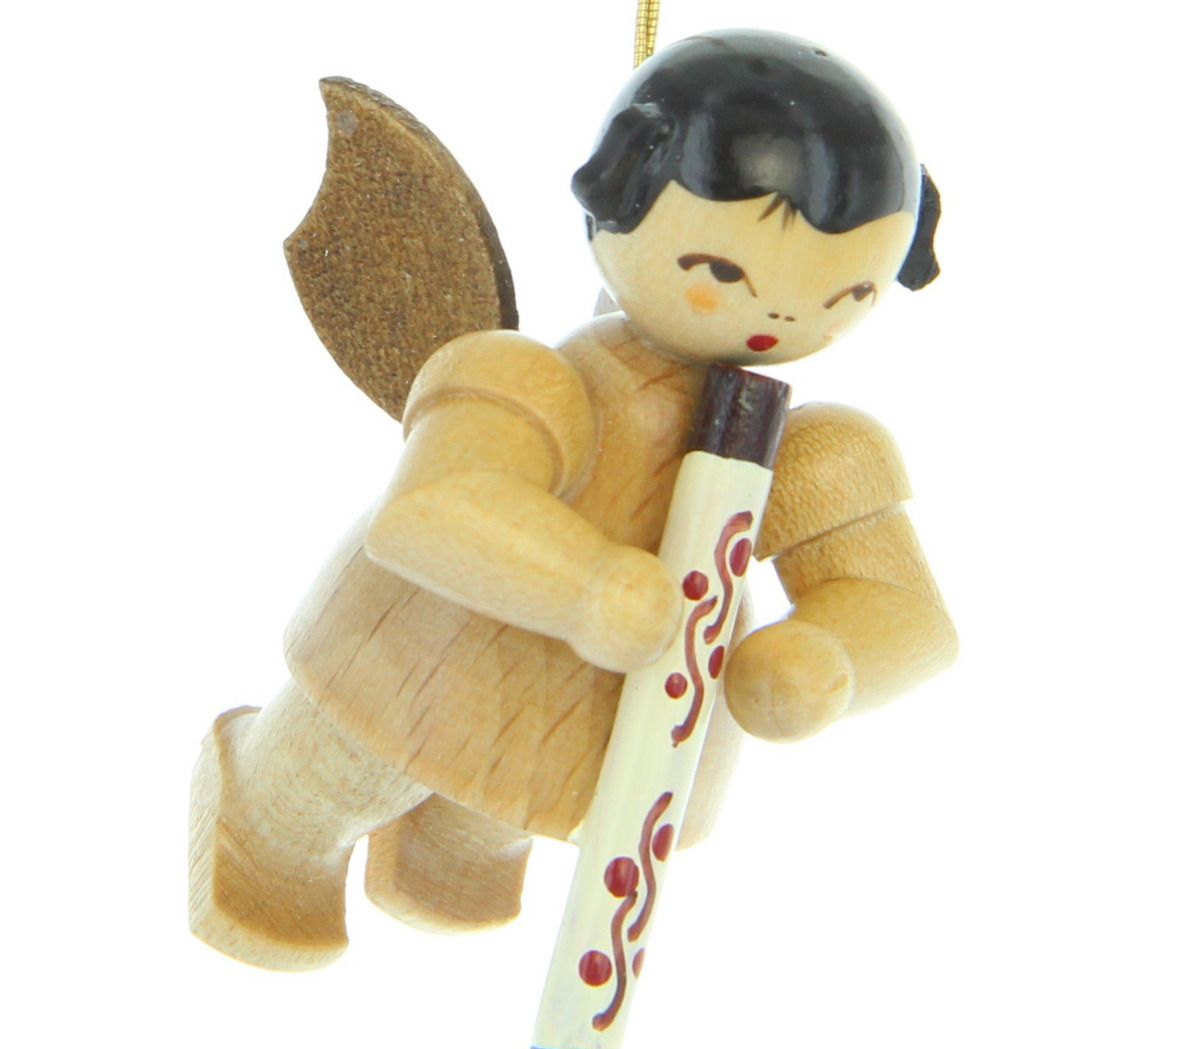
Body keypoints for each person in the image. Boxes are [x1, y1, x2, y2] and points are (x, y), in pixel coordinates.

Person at [190, 30, 956, 970]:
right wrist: (586, 586)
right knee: (336, 777)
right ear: (618, 197)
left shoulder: (815, 453)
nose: (783, 315)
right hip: (421, 649)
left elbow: (906, 614)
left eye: (845, 293)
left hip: (602, 716)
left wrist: (826, 660)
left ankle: (446, 859)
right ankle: (263, 830)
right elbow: (435, 510)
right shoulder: (535, 381)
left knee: (509, 808)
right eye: (723, 273)